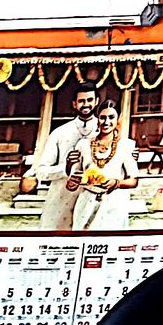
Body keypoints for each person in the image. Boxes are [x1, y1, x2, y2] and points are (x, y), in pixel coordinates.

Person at [19, 86, 100, 231]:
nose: (86, 104)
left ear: (96, 101)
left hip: (93, 201)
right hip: (61, 200)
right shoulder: (60, 133)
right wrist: (66, 169)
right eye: (81, 101)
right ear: (74, 104)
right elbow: (41, 171)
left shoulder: (106, 132)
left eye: (90, 100)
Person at [71, 102, 143, 232]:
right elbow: (74, 178)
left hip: (112, 204)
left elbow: (134, 181)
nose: (106, 122)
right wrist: (72, 179)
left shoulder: (126, 145)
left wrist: (116, 183)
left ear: (118, 119)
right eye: (102, 117)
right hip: (86, 202)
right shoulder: (83, 144)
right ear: (97, 118)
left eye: (111, 117)